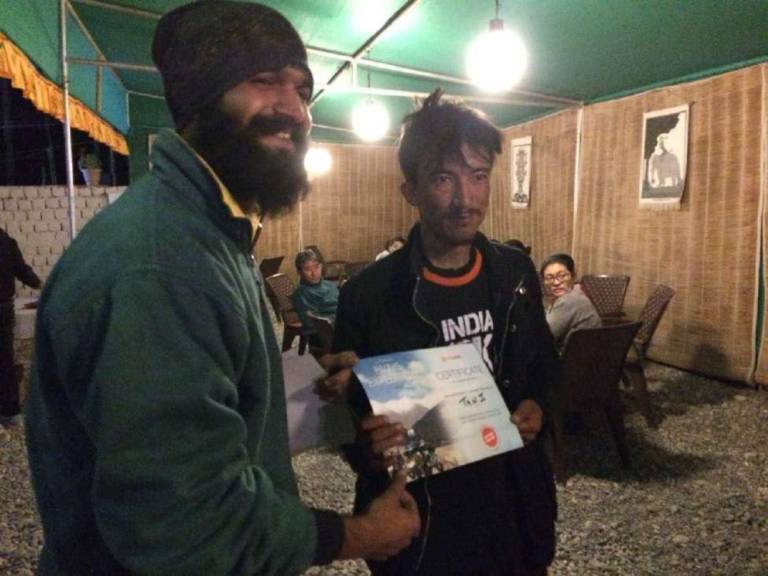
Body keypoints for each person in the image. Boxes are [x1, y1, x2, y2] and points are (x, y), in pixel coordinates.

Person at [24, 2, 419, 575]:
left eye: (302, 90)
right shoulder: (163, 266)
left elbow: (203, 388)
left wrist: (302, 378)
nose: (295, 111)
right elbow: (187, 523)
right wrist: (359, 535)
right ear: (200, 100)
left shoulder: (209, 229)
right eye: (264, 80)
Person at [324, 89, 560, 575]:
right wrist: (367, 448)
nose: (465, 199)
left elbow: (546, 367)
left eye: (478, 176)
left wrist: (539, 404)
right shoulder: (367, 295)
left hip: (515, 506)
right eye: (442, 178)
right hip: (424, 522)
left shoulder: (516, 273)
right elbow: (344, 419)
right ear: (409, 189)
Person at [0, 227, 41, 426]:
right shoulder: (6, 242)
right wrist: (40, 285)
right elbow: (22, 270)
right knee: (5, 359)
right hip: (3, 309)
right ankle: (10, 412)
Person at [540, 253, 601, 348]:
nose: (556, 282)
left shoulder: (569, 300)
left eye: (562, 276)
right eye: (549, 278)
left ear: (573, 276)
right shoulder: (577, 291)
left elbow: (542, 338)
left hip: (577, 356)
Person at [291, 248, 339, 330]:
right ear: (299, 272)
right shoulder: (301, 293)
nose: (314, 273)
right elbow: (311, 322)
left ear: (321, 266)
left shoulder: (330, 285)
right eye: (307, 269)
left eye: (316, 267)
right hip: (326, 331)